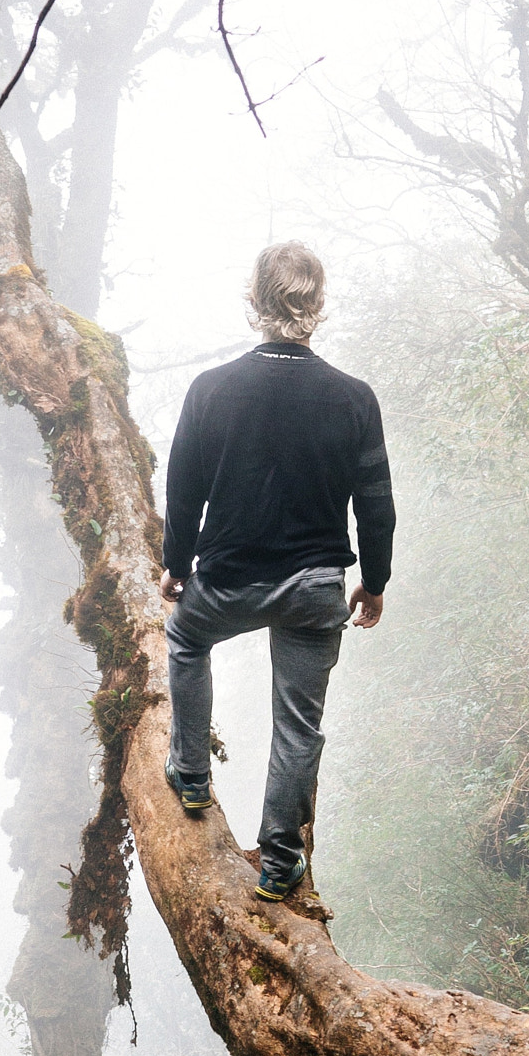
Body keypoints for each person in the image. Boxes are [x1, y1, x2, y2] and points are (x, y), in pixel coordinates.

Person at [160, 241, 395, 901]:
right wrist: (372, 583)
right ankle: (280, 861)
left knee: (184, 638)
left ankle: (191, 775)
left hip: (226, 581)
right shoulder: (353, 399)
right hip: (314, 588)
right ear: (315, 307)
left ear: (255, 303)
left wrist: (175, 567)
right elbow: (374, 508)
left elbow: (182, 492)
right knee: (297, 723)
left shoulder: (211, 390)